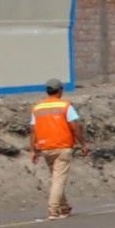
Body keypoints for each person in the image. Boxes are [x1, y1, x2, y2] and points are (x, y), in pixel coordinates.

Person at [30, 79, 83, 218]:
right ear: (60, 90)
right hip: (63, 147)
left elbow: (33, 130)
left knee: (57, 178)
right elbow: (75, 126)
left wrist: (34, 150)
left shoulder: (37, 108)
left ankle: (64, 207)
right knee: (58, 179)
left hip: (46, 148)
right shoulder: (65, 106)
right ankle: (53, 209)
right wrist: (84, 144)